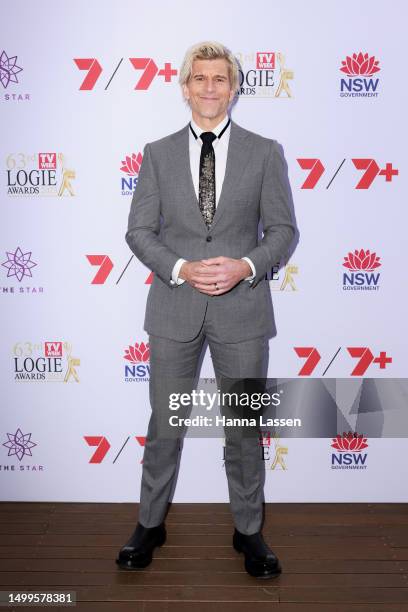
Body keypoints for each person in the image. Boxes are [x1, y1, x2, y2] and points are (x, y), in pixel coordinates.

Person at [116, 41, 295, 579]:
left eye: (220, 78)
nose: (210, 88)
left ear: (235, 86)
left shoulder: (266, 152)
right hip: (173, 309)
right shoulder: (157, 152)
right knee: (165, 424)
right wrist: (179, 267)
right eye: (200, 78)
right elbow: (139, 231)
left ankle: (248, 530)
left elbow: (283, 230)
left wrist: (245, 264)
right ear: (185, 86)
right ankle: (150, 523)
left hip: (243, 311)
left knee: (242, 427)